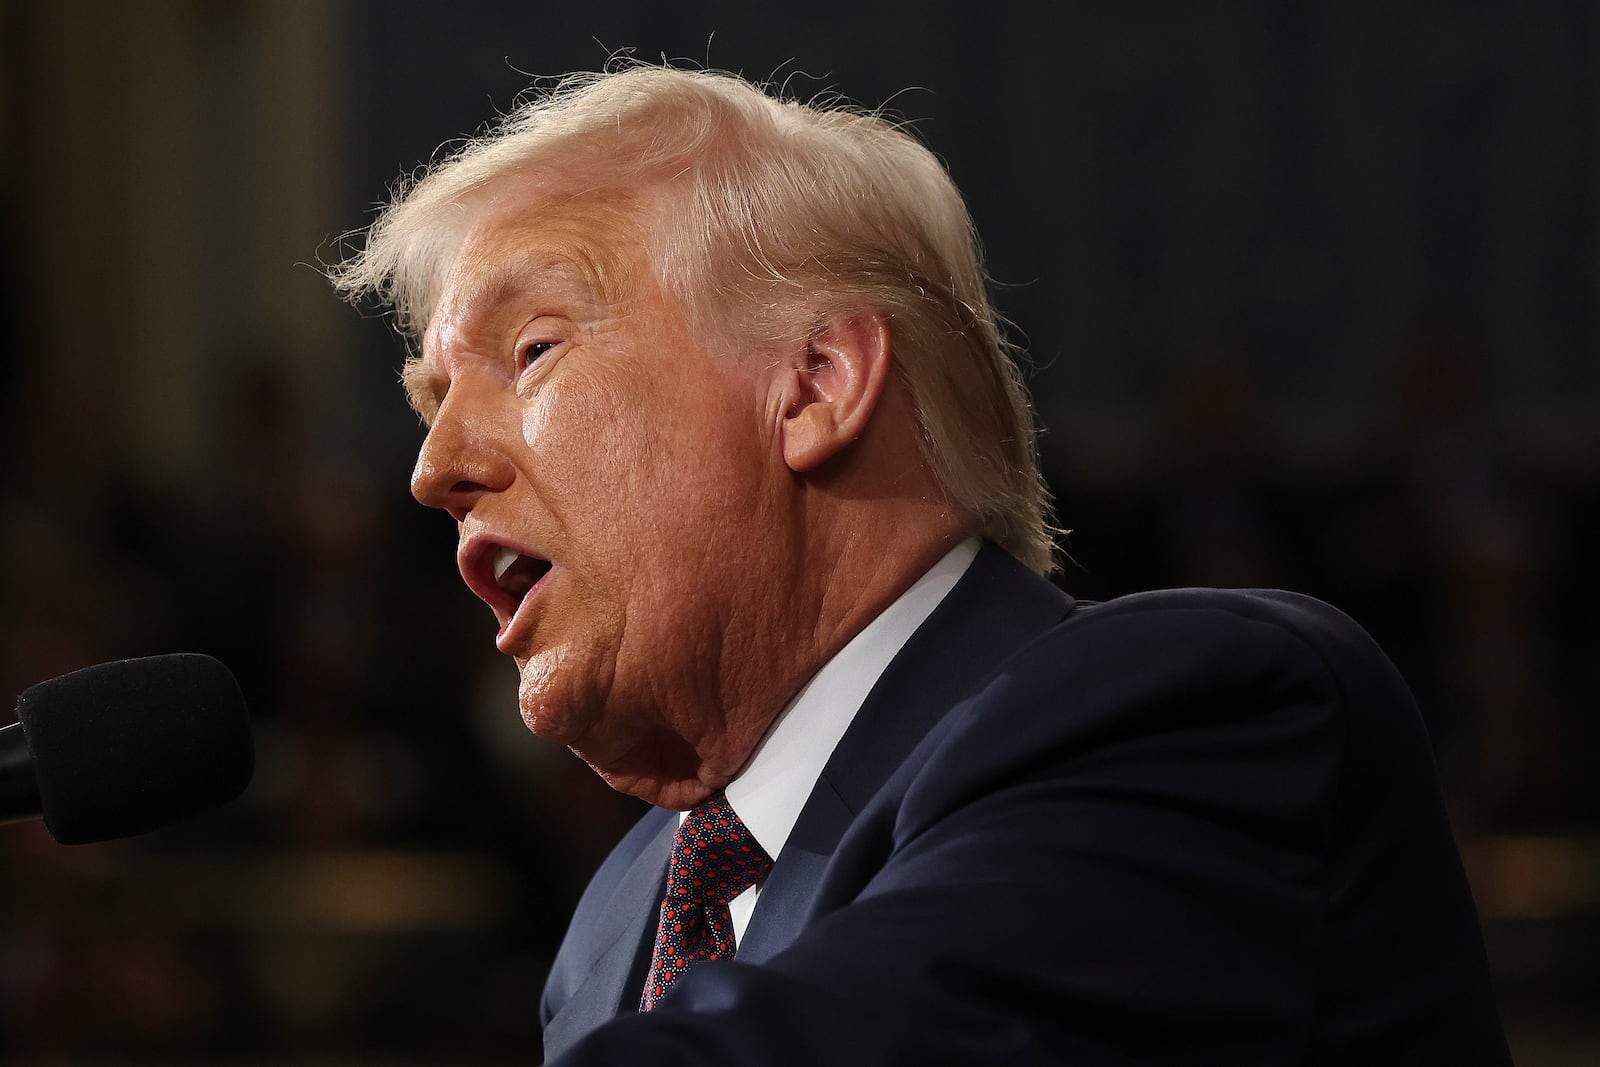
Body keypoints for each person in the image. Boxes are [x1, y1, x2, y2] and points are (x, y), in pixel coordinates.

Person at [332, 64, 1511, 1065]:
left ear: (817, 386)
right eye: (433, 403)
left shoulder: (1190, 714)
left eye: (531, 349)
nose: (434, 467)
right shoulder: (621, 912)